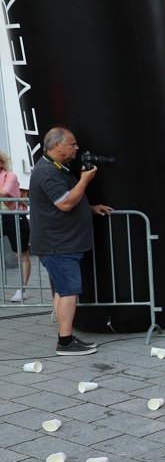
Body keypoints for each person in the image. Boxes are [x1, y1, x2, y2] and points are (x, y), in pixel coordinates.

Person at [28, 127, 114, 355]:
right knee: (68, 292)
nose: (77, 148)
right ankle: (65, 343)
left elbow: (66, 202)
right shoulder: (47, 171)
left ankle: (65, 337)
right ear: (57, 146)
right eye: (72, 144)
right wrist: (85, 180)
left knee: (62, 290)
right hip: (58, 246)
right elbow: (64, 203)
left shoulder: (57, 168)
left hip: (60, 244)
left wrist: (89, 208)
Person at [0, 150, 31, 301]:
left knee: (21, 254)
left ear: (1, 163)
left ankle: (22, 289)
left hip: (13, 216)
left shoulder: (10, 176)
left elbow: (4, 193)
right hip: (1, 217)